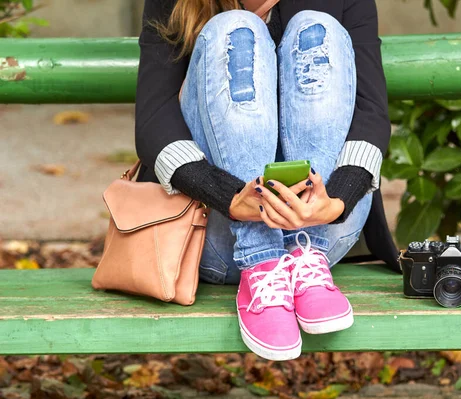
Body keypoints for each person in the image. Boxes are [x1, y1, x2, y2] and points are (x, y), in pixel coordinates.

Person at [135, 0, 397, 360]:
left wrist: (336, 200)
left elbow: (372, 112)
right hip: (214, 233)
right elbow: (153, 123)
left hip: (325, 229)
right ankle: (261, 259)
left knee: (316, 26)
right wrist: (229, 198)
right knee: (235, 29)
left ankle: (305, 253)